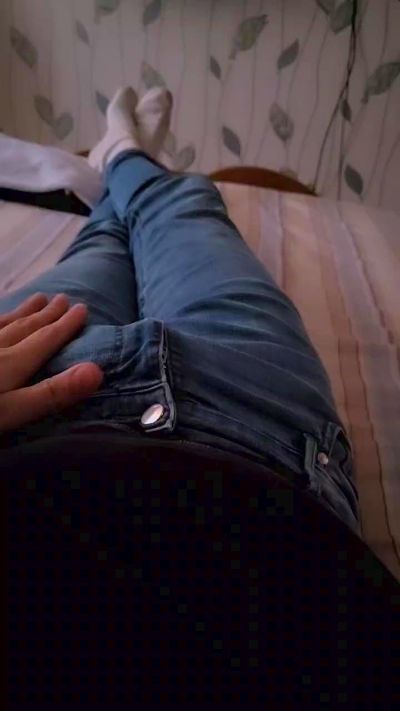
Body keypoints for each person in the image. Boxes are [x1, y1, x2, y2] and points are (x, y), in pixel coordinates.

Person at [1, 88, 399, 705]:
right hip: (250, 437)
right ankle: (124, 155)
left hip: (28, 400)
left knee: (99, 244)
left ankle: (118, 161)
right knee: (185, 208)